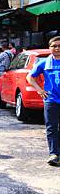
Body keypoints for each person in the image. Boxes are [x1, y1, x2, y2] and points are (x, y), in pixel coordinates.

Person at [27, 36, 60, 166]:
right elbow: (30, 77)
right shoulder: (44, 63)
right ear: (49, 48)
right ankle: (54, 154)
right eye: (54, 46)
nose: (57, 48)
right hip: (51, 100)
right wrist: (39, 90)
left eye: (59, 46)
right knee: (51, 127)